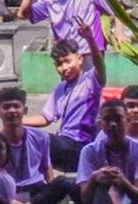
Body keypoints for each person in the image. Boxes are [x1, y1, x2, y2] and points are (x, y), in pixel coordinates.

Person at [76, 99, 138, 204]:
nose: (113, 124)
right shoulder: (89, 151)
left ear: (128, 120)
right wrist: (94, 179)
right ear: (100, 123)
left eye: (118, 119)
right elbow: (85, 198)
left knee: (123, 193)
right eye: (107, 119)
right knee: (104, 185)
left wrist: (124, 183)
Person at [33, 39, 102, 172]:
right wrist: (17, 121)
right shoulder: (60, 88)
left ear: (80, 59)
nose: (64, 68)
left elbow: (100, 66)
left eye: (67, 61)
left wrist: (90, 40)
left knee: (39, 140)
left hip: (82, 146)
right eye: (59, 64)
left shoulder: (90, 81)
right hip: (64, 143)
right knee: (24, 135)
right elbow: (45, 118)